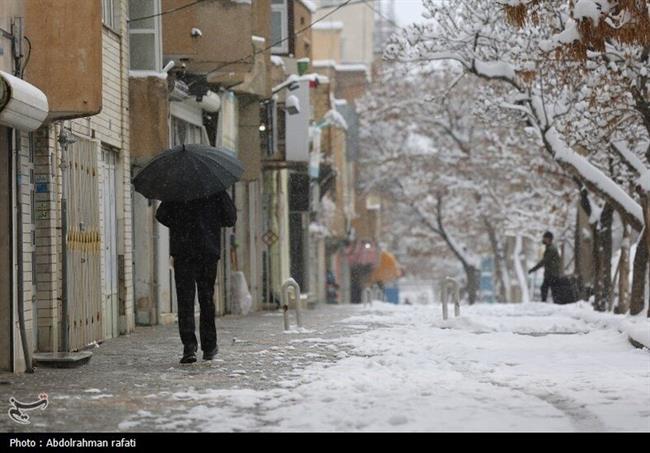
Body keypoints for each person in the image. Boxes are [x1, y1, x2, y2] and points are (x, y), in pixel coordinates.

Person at [155, 191, 237, 364]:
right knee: (206, 299)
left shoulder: (179, 190)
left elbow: (161, 215)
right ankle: (209, 346)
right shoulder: (215, 190)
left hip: (183, 252)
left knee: (185, 301)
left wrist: (180, 224)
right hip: (207, 251)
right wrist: (211, 222)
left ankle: (189, 347)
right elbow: (230, 218)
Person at [528, 231, 561, 302]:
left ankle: (553, 303)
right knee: (547, 289)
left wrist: (533, 269)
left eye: (545, 238)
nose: (543, 239)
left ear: (549, 239)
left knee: (550, 289)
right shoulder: (550, 248)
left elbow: (544, 261)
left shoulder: (551, 249)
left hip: (552, 274)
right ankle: (551, 303)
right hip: (551, 274)